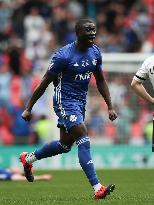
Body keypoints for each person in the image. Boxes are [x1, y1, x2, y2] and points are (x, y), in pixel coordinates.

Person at [20, 19, 117, 200]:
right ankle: (97, 187)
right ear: (78, 32)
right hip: (63, 101)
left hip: (80, 103)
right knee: (83, 134)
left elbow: (101, 80)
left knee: (65, 145)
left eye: (94, 30)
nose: (93, 33)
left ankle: (29, 158)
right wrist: (29, 107)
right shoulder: (63, 56)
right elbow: (45, 81)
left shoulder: (95, 52)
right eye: (88, 30)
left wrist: (110, 106)